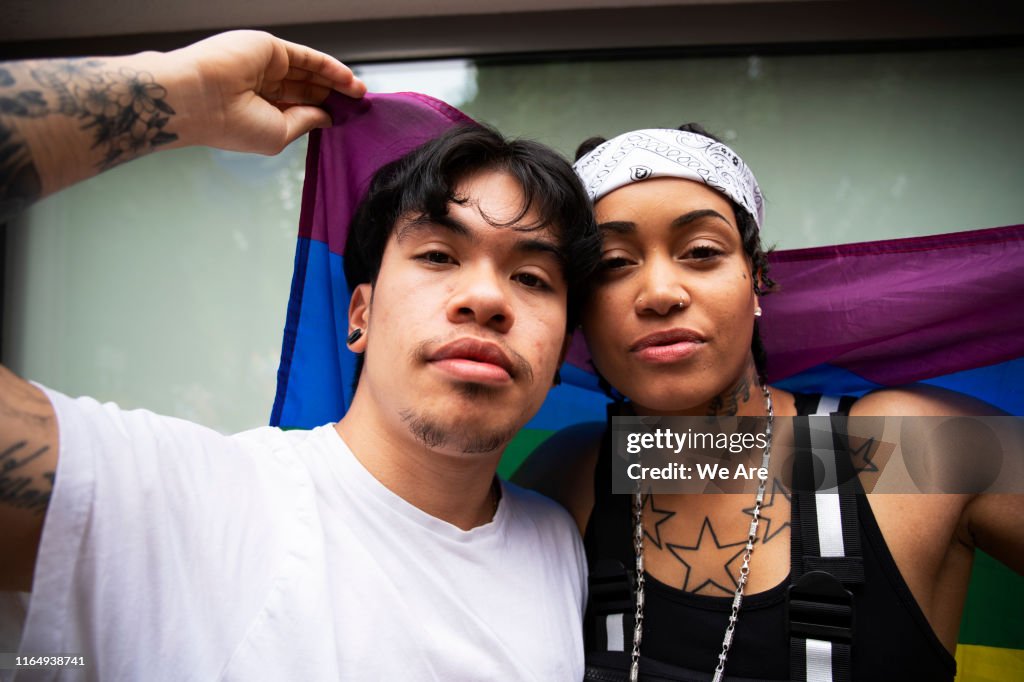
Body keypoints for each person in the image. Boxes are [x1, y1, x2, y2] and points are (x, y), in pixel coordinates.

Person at [0, 31, 600, 680]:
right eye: (437, 256)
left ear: (565, 339)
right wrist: (172, 94)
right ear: (360, 316)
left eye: (533, 278)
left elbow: (718, 456)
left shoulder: (562, 537)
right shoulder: (198, 510)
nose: (485, 297)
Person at [515, 125, 1024, 681]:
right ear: (578, 310)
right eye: (613, 263)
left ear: (755, 278)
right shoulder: (568, 478)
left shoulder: (919, 448)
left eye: (702, 252)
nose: (660, 293)